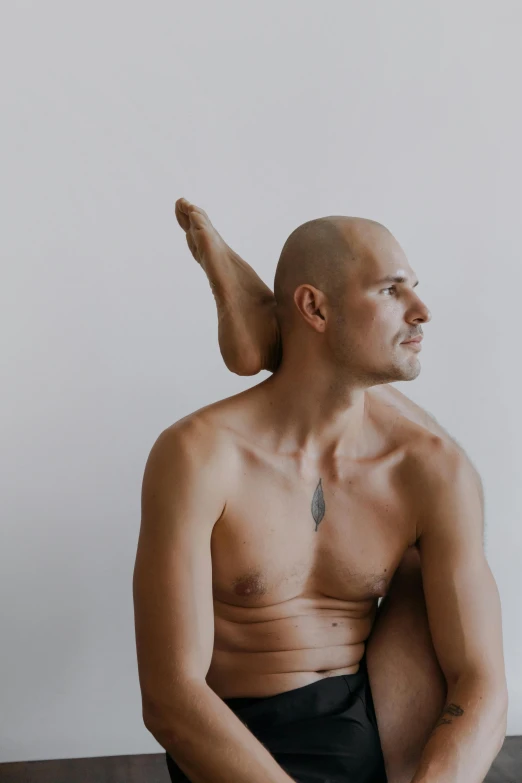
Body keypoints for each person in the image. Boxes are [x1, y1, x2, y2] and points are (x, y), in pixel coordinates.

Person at [132, 199, 508, 783]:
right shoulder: (200, 455)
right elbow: (169, 697)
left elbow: (481, 682)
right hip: (235, 751)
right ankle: (271, 331)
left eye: (415, 288)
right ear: (314, 306)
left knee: (426, 548)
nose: (423, 310)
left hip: (375, 728)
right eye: (391, 291)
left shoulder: (428, 468)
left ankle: (267, 330)